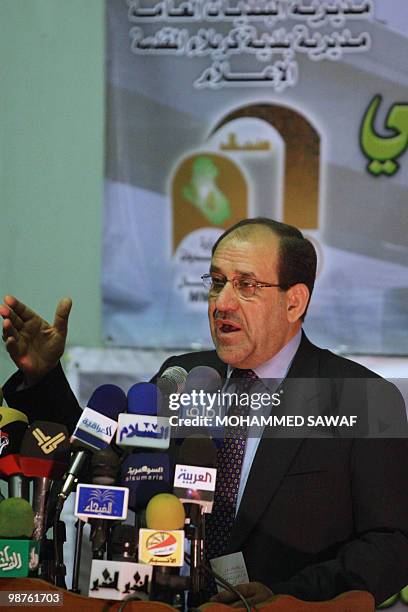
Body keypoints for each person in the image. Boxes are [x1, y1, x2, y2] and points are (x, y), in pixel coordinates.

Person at [1, 218, 408, 608]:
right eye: (216, 283)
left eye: (246, 285)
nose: (222, 303)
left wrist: (288, 597)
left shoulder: (362, 397)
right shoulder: (181, 377)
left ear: (294, 301)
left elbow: (391, 543)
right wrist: (44, 379)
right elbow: (105, 469)